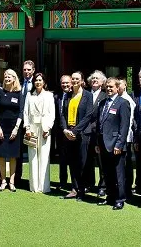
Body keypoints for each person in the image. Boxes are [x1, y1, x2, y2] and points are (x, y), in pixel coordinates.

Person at [95, 77, 131, 210]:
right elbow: (99, 124)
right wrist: (97, 143)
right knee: (107, 173)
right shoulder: (102, 103)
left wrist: (119, 145)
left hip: (116, 145)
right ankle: (110, 197)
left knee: (118, 173)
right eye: (107, 87)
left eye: (111, 87)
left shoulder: (123, 103)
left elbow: (124, 126)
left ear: (117, 88)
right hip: (103, 144)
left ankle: (120, 199)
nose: (109, 89)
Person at [59, 71, 93, 201]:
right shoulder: (67, 95)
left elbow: (88, 115)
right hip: (68, 133)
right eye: (72, 79)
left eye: (77, 79)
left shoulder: (88, 95)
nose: (74, 81)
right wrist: (65, 130)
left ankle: (82, 191)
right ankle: (74, 189)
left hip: (82, 134)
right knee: (72, 162)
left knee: (82, 163)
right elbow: (62, 114)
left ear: (82, 80)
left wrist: (76, 131)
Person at [23, 73, 55, 193]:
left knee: (44, 156)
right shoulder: (29, 95)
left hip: (45, 128)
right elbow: (25, 112)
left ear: (44, 82)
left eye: (40, 80)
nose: (38, 82)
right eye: (36, 80)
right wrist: (27, 128)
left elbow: (52, 114)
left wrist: (48, 128)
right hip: (32, 128)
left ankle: (44, 187)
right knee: (33, 157)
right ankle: (34, 186)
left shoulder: (49, 95)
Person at [0, 69, 23, 191]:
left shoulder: (19, 93)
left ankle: (12, 182)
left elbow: (21, 112)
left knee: (13, 156)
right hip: (1, 127)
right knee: (1, 155)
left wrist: (16, 128)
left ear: (14, 78)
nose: (7, 78)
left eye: (10, 76)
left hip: (14, 128)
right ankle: (3, 181)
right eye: (5, 76)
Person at [85, 70, 107, 196]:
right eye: (93, 78)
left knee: (101, 161)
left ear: (102, 82)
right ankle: (89, 184)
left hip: (99, 133)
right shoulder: (86, 94)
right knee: (88, 160)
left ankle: (102, 186)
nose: (94, 80)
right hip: (86, 133)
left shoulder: (104, 96)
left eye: (97, 78)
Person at [118, 77, 136, 197]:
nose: (118, 86)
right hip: (121, 137)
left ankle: (127, 189)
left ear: (125, 85)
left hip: (126, 137)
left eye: (120, 84)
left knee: (126, 165)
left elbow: (128, 122)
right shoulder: (117, 98)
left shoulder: (127, 100)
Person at [54, 75, 72, 189]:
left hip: (70, 131)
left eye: (67, 83)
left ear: (71, 83)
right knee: (62, 159)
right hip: (59, 132)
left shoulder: (73, 96)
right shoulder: (56, 96)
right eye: (63, 83)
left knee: (72, 158)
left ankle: (74, 183)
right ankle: (62, 182)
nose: (65, 85)